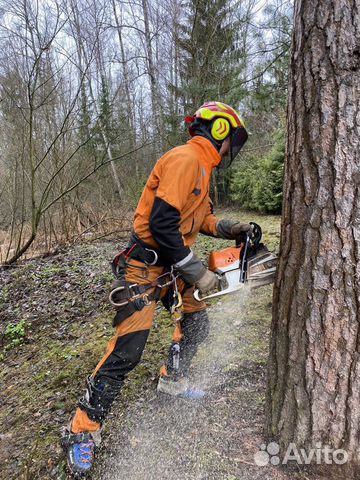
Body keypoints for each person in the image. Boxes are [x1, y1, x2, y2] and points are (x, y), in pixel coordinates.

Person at [62, 101, 250, 477]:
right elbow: (163, 226)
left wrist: (230, 227)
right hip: (145, 267)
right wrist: (196, 272)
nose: (231, 149)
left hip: (171, 263)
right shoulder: (185, 160)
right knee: (128, 351)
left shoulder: (202, 167)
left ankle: (171, 380)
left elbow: (199, 216)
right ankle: (81, 430)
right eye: (231, 140)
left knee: (197, 324)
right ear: (218, 131)